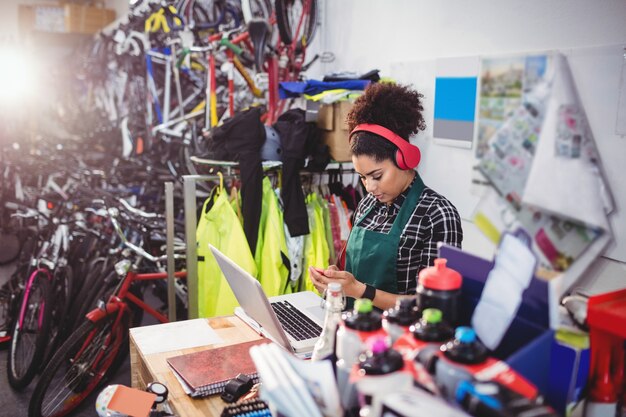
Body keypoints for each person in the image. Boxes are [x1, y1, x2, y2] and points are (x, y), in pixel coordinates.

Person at [308, 82, 463, 310]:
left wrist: (360, 291)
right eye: (362, 177)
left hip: (397, 338)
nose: (369, 187)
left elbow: (434, 306)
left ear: (405, 159)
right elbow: (353, 279)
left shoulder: (437, 214)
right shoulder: (367, 205)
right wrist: (336, 282)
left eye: (377, 175)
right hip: (352, 327)